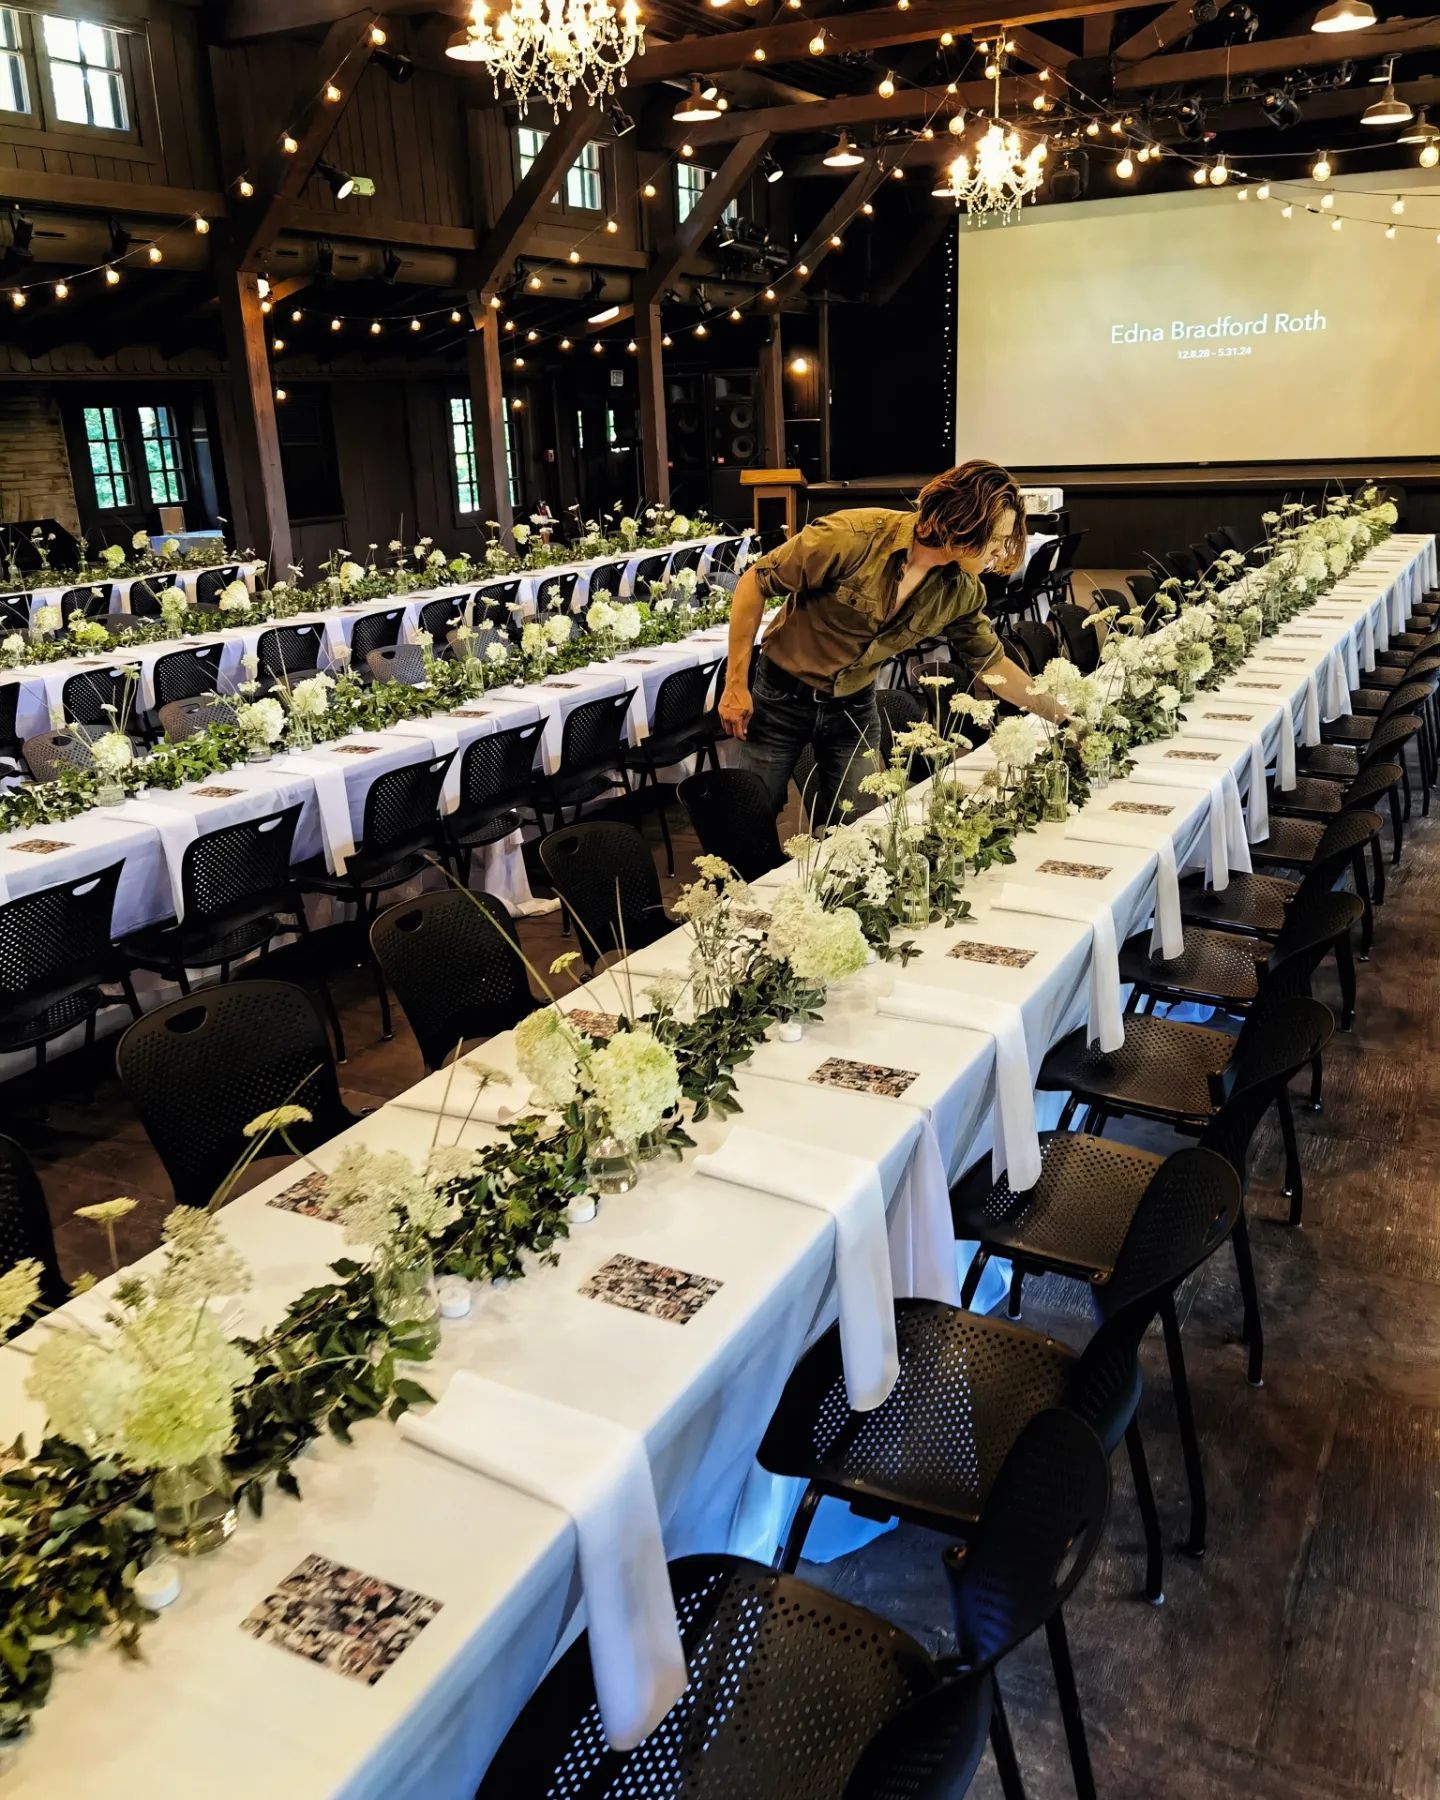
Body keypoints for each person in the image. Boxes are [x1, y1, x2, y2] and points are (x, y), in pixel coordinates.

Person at [718, 459, 1069, 828]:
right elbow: (754, 583)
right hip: (780, 699)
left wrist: (1061, 717)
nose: (1000, 553)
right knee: (751, 822)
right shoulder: (851, 536)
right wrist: (735, 684)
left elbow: (992, 663)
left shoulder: (962, 591)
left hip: (853, 705)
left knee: (860, 828)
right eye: (995, 539)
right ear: (962, 520)